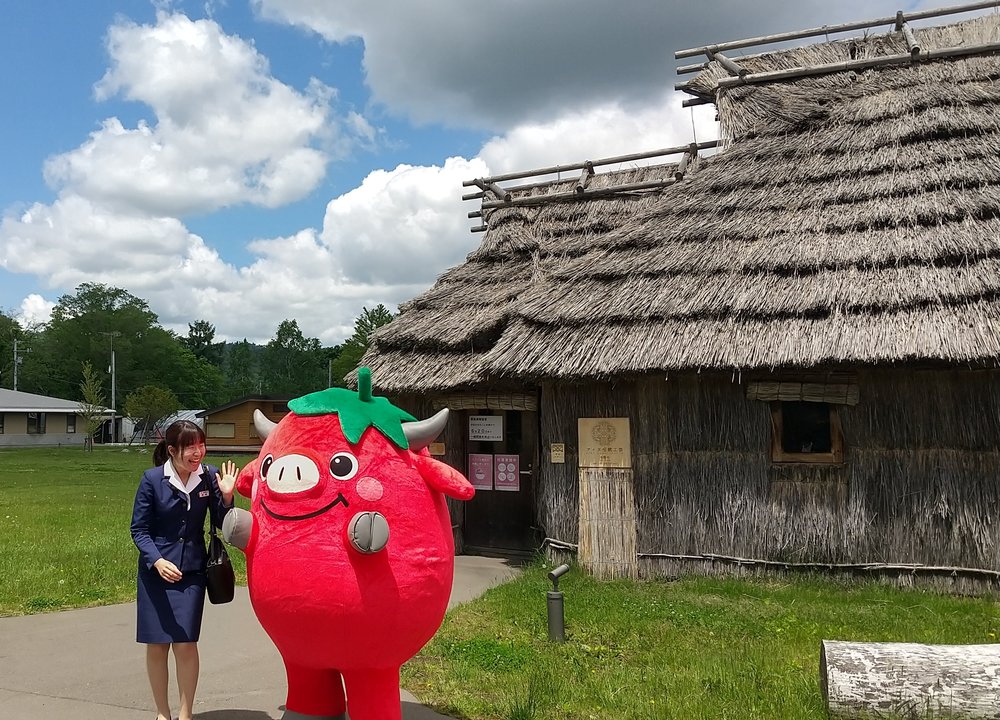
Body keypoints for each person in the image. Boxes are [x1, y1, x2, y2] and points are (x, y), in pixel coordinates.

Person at [130, 419, 238, 720]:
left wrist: (227, 496)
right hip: (156, 574)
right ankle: (162, 714)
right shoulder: (152, 479)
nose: (197, 453)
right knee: (157, 644)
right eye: (190, 447)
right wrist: (157, 560)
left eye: (201, 445)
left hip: (192, 571)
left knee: (186, 643)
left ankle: (185, 713)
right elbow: (139, 530)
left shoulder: (209, 476)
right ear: (172, 450)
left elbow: (221, 521)